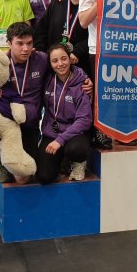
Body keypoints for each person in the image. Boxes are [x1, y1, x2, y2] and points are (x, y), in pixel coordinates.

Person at [0, 23, 48, 183]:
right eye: (20, 43)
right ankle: (1, 161)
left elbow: (63, 68)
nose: (25, 49)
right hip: (5, 125)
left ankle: (12, 162)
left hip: (29, 126)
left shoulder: (42, 60)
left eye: (29, 43)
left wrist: (84, 81)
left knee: (22, 178)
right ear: (9, 43)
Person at [78, 0, 126, 150]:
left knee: (119, 93)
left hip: (122, 47)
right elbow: (83, 21)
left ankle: (116, 130)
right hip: (99, 49)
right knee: (101, 94)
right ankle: (99, 132)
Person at [36, 44, 93, 184]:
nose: (60, 64)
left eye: (63, 59)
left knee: (75, 149)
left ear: (70, 59)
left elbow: (84, 119)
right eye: (55, 61)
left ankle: (77, 162)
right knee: (44, 176)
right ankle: (63, 161)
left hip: (74, 134)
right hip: (52, 134)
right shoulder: (47, 80)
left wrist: (60, 140)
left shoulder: (82, 83)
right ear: (50, 63)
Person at [34, 0, 91, 77]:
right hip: (55, 61)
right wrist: (42, 53)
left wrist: (79, 51)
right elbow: (42, 28)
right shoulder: (59, 1)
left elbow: (95, 35)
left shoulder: (90, 6)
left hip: (79, 60)